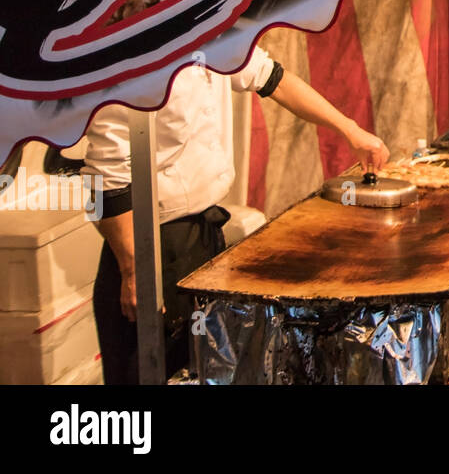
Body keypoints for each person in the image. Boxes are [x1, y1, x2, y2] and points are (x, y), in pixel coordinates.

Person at [83, 51, 389, 385]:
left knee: (203, 369)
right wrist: (133, 270)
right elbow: (106, 180)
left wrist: (350, 130)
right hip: (148, 245)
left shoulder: (217, 36)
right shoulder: (129, 58)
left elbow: (276, 80)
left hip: (202, 237)